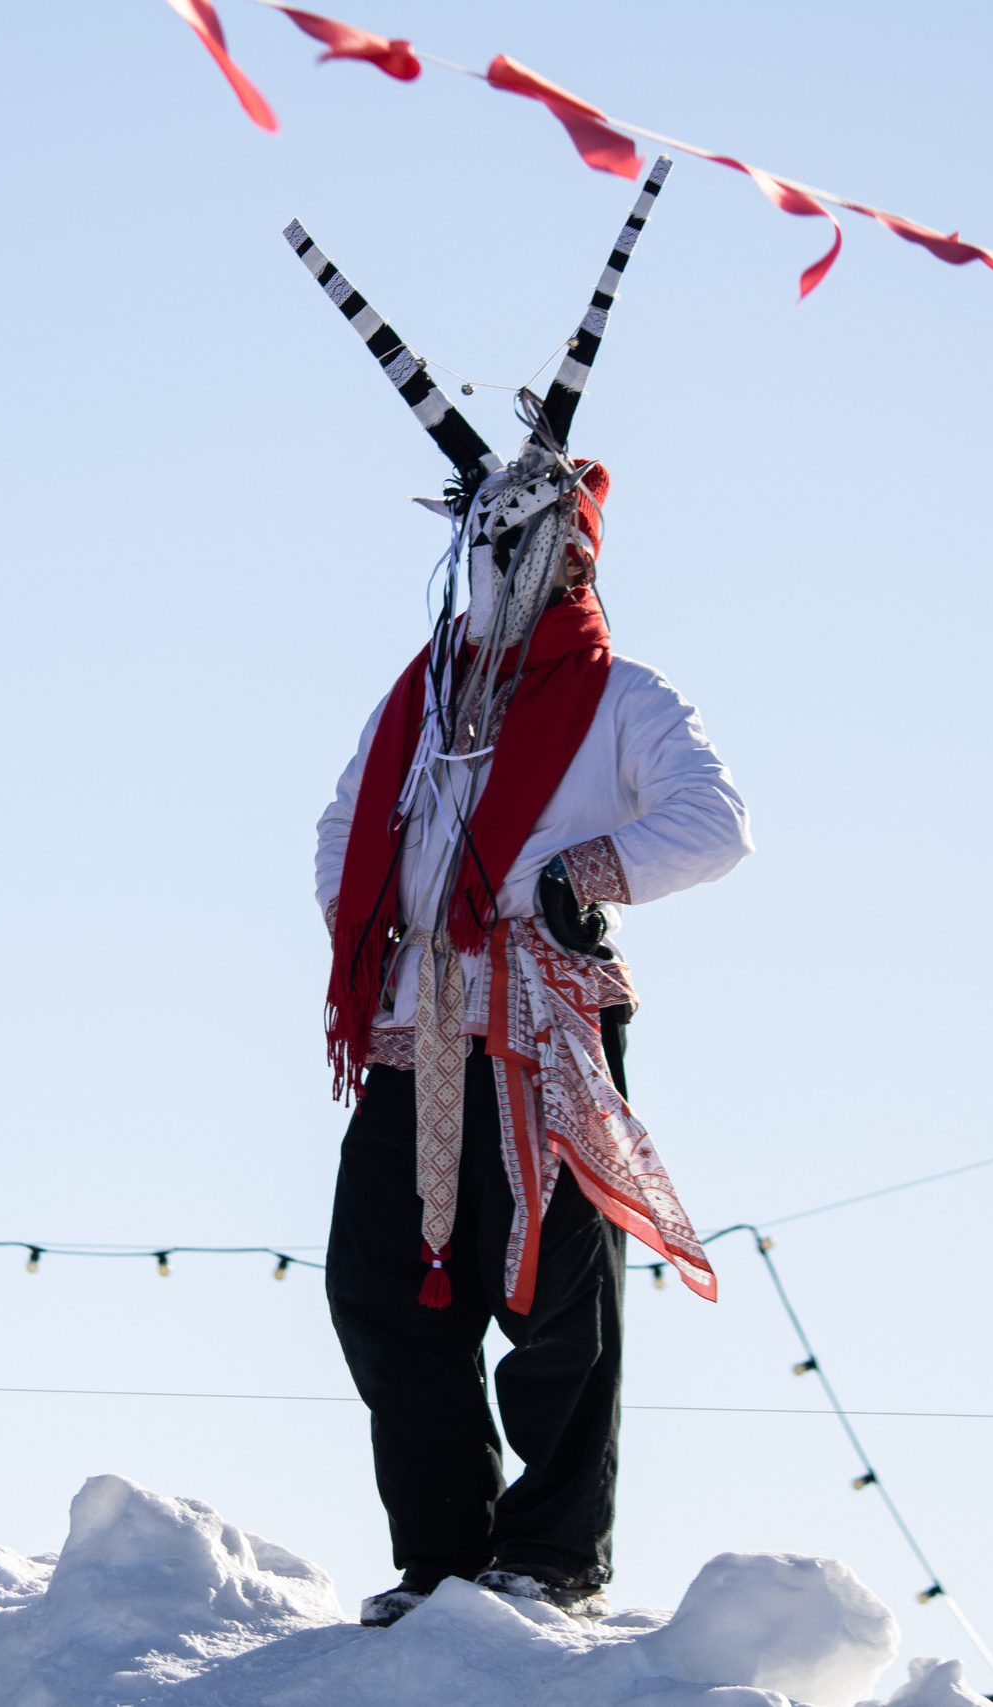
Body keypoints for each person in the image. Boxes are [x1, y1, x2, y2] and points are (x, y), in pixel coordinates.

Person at [313, 458, 750, 1626]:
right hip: (415, 1017)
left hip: (543, 1016)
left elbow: (713, 822)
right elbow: (344, 822)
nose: (510, 566)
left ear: (575, 554)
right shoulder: (417, 696)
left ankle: (553, 1558)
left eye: (535, 544)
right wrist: (380, 929)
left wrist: (577, 876)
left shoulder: (621, 694)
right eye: (492, 544)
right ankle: (443, 1562)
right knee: (381, 1284)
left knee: (558, 1292)